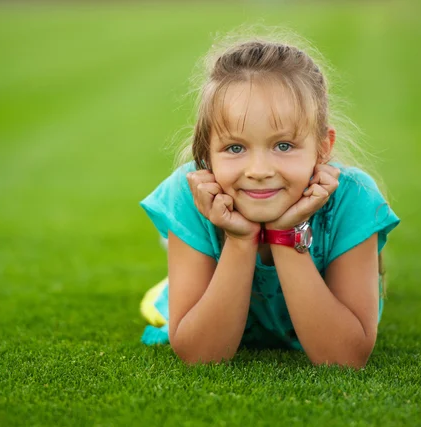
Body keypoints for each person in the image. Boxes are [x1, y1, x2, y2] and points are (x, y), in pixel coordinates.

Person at [138, 35, 400, 368]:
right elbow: (201, 356)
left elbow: (345, 358)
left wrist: (286, 233)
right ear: (205, 153)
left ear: (322, 147)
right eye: (235, 148)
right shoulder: (188, 195)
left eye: (284, 146)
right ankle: (186, 255)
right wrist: (239, 239)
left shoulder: (354, 197)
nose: (259, 171)